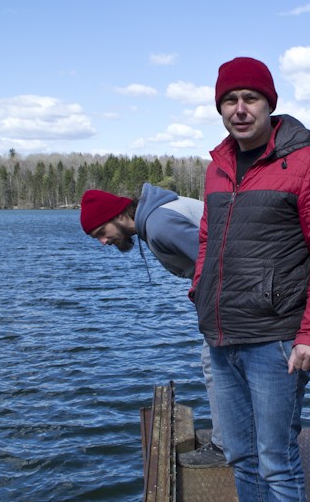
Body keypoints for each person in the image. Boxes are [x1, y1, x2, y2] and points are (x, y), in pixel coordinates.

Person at [190, 56, 310, 500]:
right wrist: (201, 291)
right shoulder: (216, 166)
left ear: (269, 103)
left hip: (276, 340)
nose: (239, 110)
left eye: (250, 98)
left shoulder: (308, 164)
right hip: (222, 336)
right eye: (229, 101)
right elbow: (208, 238)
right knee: (241, 456)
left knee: (276, 462)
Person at [79, 183, 226, 468]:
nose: (103, 242)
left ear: (119, 215)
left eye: (101, 232)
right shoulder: (157, 216)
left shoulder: (160, 225)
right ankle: (233, 438)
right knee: (220, 365)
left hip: (240, 298)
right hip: (235, 296)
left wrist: (203, 297)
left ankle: (226, 446)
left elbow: (220, 264)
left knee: (217, 365)